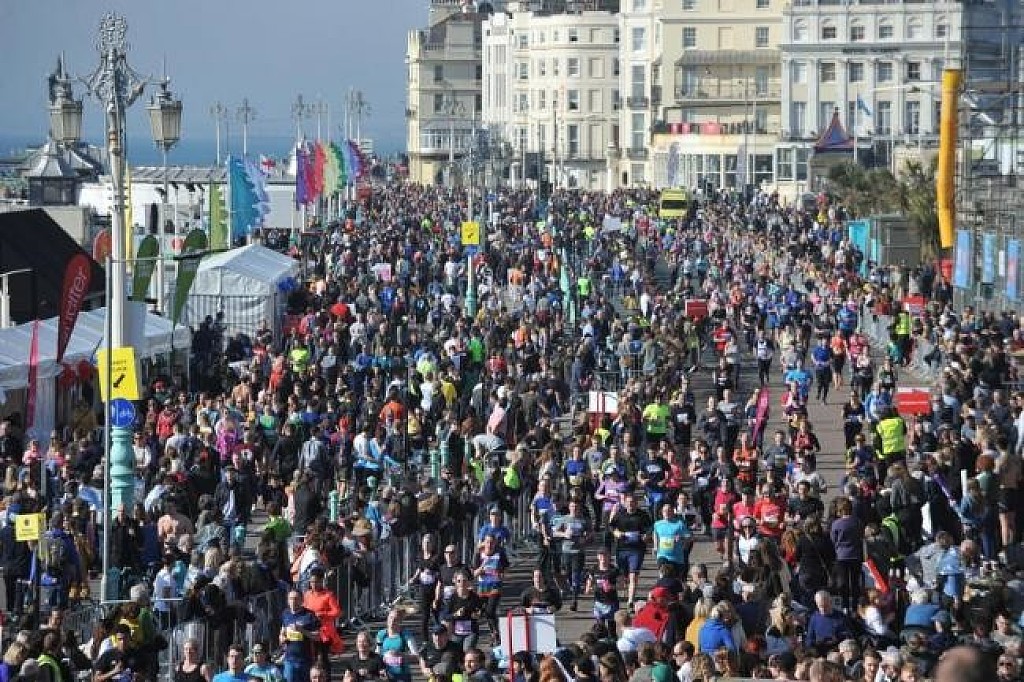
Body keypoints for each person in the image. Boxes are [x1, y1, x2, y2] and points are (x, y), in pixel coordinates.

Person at [279, 589, 320, 682]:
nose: (293, 601)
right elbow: (282, 631)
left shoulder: (309, 615)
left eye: (296, 599)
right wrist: (282, 638)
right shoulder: (285, 613)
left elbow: (317, 637)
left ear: (302, 600)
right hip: (289, 659)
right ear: (287, 600)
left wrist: (302, 630)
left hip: (305, 659)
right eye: (291, 599)